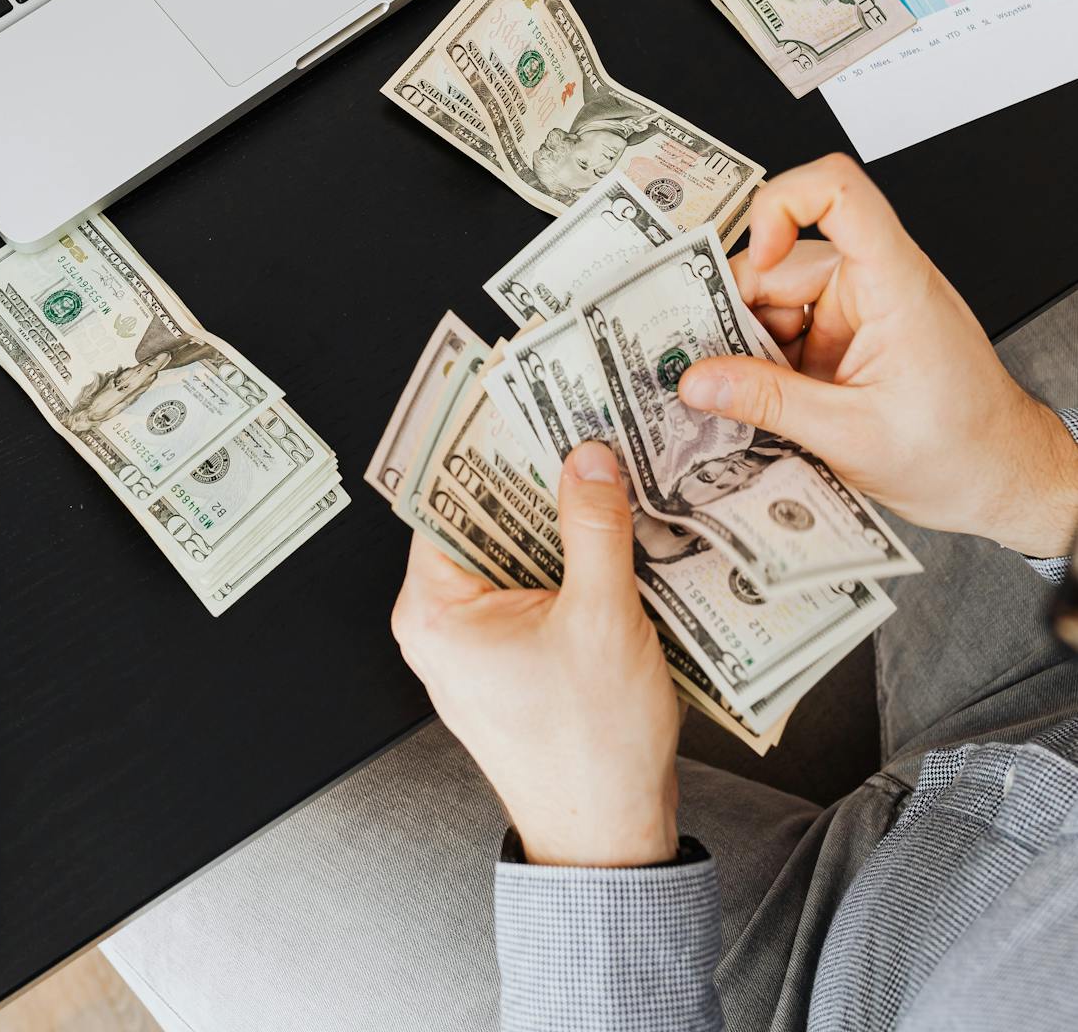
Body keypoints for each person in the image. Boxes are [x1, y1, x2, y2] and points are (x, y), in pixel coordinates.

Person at [105, 153, 1078, 1032]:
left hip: (813, 1000)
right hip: (1050, 707)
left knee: (156, 825)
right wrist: (1042, 487)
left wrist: (602, 844)